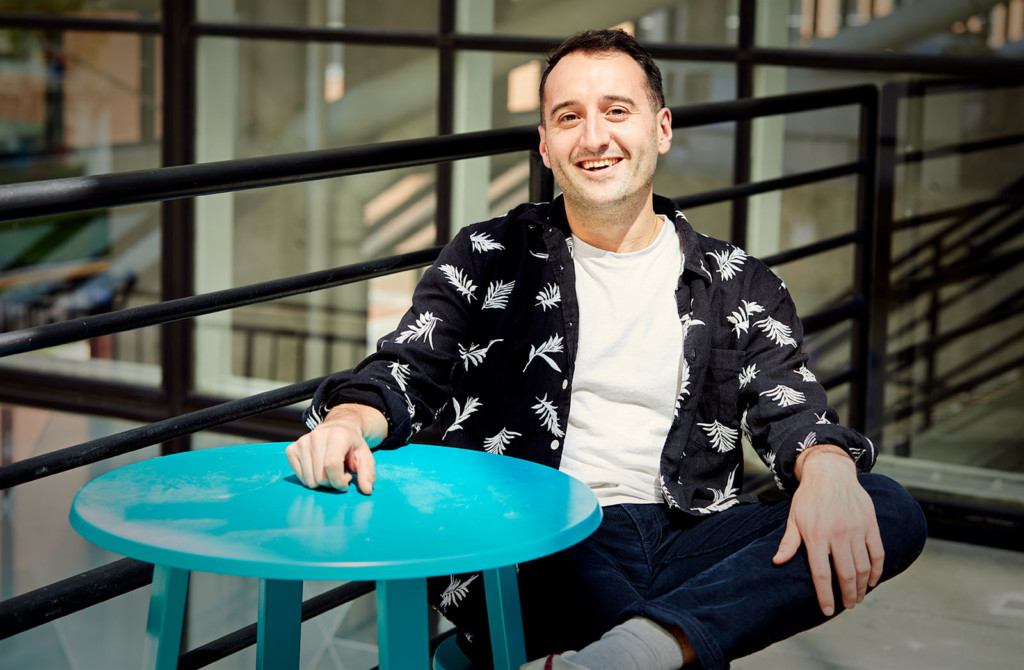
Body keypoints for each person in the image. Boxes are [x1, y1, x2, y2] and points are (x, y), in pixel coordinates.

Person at [286, 29, 927, 670]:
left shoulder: (739, 283)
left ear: (662, 128)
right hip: (542, 530)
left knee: (887, 506)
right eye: (569, 117)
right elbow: (403, 370)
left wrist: (829, 470)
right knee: (603, 593)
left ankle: (634, 647)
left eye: (617, 111)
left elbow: (795, 415)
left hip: (689, 532)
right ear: (545, 143)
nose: (594, 137)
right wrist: (346, 421)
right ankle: (657, 644)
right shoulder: (488, 257)